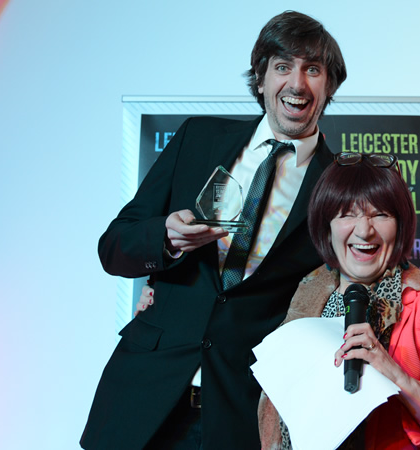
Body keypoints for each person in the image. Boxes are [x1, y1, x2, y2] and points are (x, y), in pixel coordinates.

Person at [82, 11, 346, 449]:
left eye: (312, 70)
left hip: (239, 411)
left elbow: (369, 277)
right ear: (260, 79)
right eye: (282, 67)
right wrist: (165, 239)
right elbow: (114, 247)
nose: (297, 84)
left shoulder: (338, 185)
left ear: (329, 87)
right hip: (142, 397)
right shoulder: (197, 139)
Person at [258, 153, 420, 449]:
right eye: (347, 214)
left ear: (400, 225)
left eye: (380, 214)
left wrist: (395, 375)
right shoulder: (305, 298)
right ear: (326, 225)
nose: (364, 230)